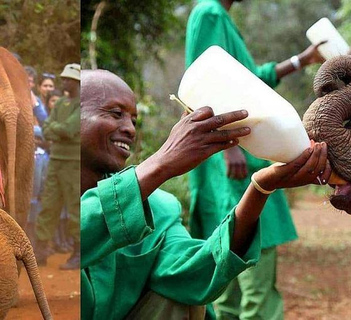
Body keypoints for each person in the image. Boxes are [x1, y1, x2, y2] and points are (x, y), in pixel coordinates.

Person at [80, 69, 332, 320]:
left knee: (178, 297)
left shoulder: (158, 210)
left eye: (134, 121)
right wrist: (161, 163)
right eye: (116, 114)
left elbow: (196, 272)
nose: (130, 130)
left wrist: (260, 188)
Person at [185, 0, 325, 318]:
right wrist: (229, 147)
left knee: (227, 283)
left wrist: (302, 60)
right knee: (252, 273)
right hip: (233, 163)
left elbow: (253, 79)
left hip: (239, 153)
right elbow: (204, 83)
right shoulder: (209, 13)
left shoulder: (219, 18)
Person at [34, 63, 81, 270]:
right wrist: (57, 130)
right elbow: (46, 129)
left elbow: (70, 130)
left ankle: (79, 252)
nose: (63, 82)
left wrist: (57, 130)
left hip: (73, 163)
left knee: (74, 208)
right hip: (56, 161)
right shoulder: (61, 102)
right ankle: (40, 251)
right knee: (48, 205)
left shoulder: (82, 104)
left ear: (77, 82)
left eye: (67, 79)